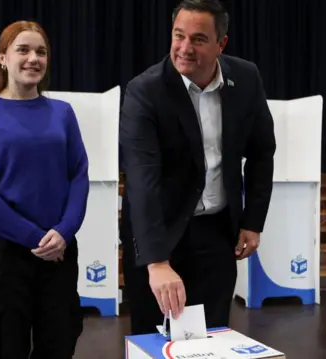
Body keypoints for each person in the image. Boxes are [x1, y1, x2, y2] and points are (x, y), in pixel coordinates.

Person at [119, 0, 276, 335]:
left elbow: (262, 152)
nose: (185, 48)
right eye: (179, 36)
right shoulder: (144, 91)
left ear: (221, 44)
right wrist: (157, 261)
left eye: (198, 39)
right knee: (155, 338)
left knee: (212, 335)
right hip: (159, 232)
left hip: (217, 234)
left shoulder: (246, 79)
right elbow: (141, 180)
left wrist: (253, 221)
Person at [0, 20, 89, 359]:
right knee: (5, 342)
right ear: (2, 58)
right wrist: (36, 239)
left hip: (59, 249)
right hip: (3, 252)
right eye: (23, 50)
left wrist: (63, 232)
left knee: (59, 339)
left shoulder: (62, 112)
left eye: (41, 52)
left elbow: (78, 175)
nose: (33, 58)